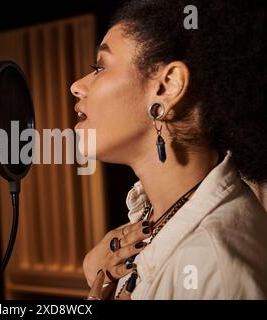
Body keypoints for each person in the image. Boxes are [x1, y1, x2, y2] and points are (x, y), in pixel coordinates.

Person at [70, 0, 267, 299]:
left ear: (168, 86)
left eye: (100, 67)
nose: (76, 85)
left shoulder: (214, 268)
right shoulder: (154, 216)